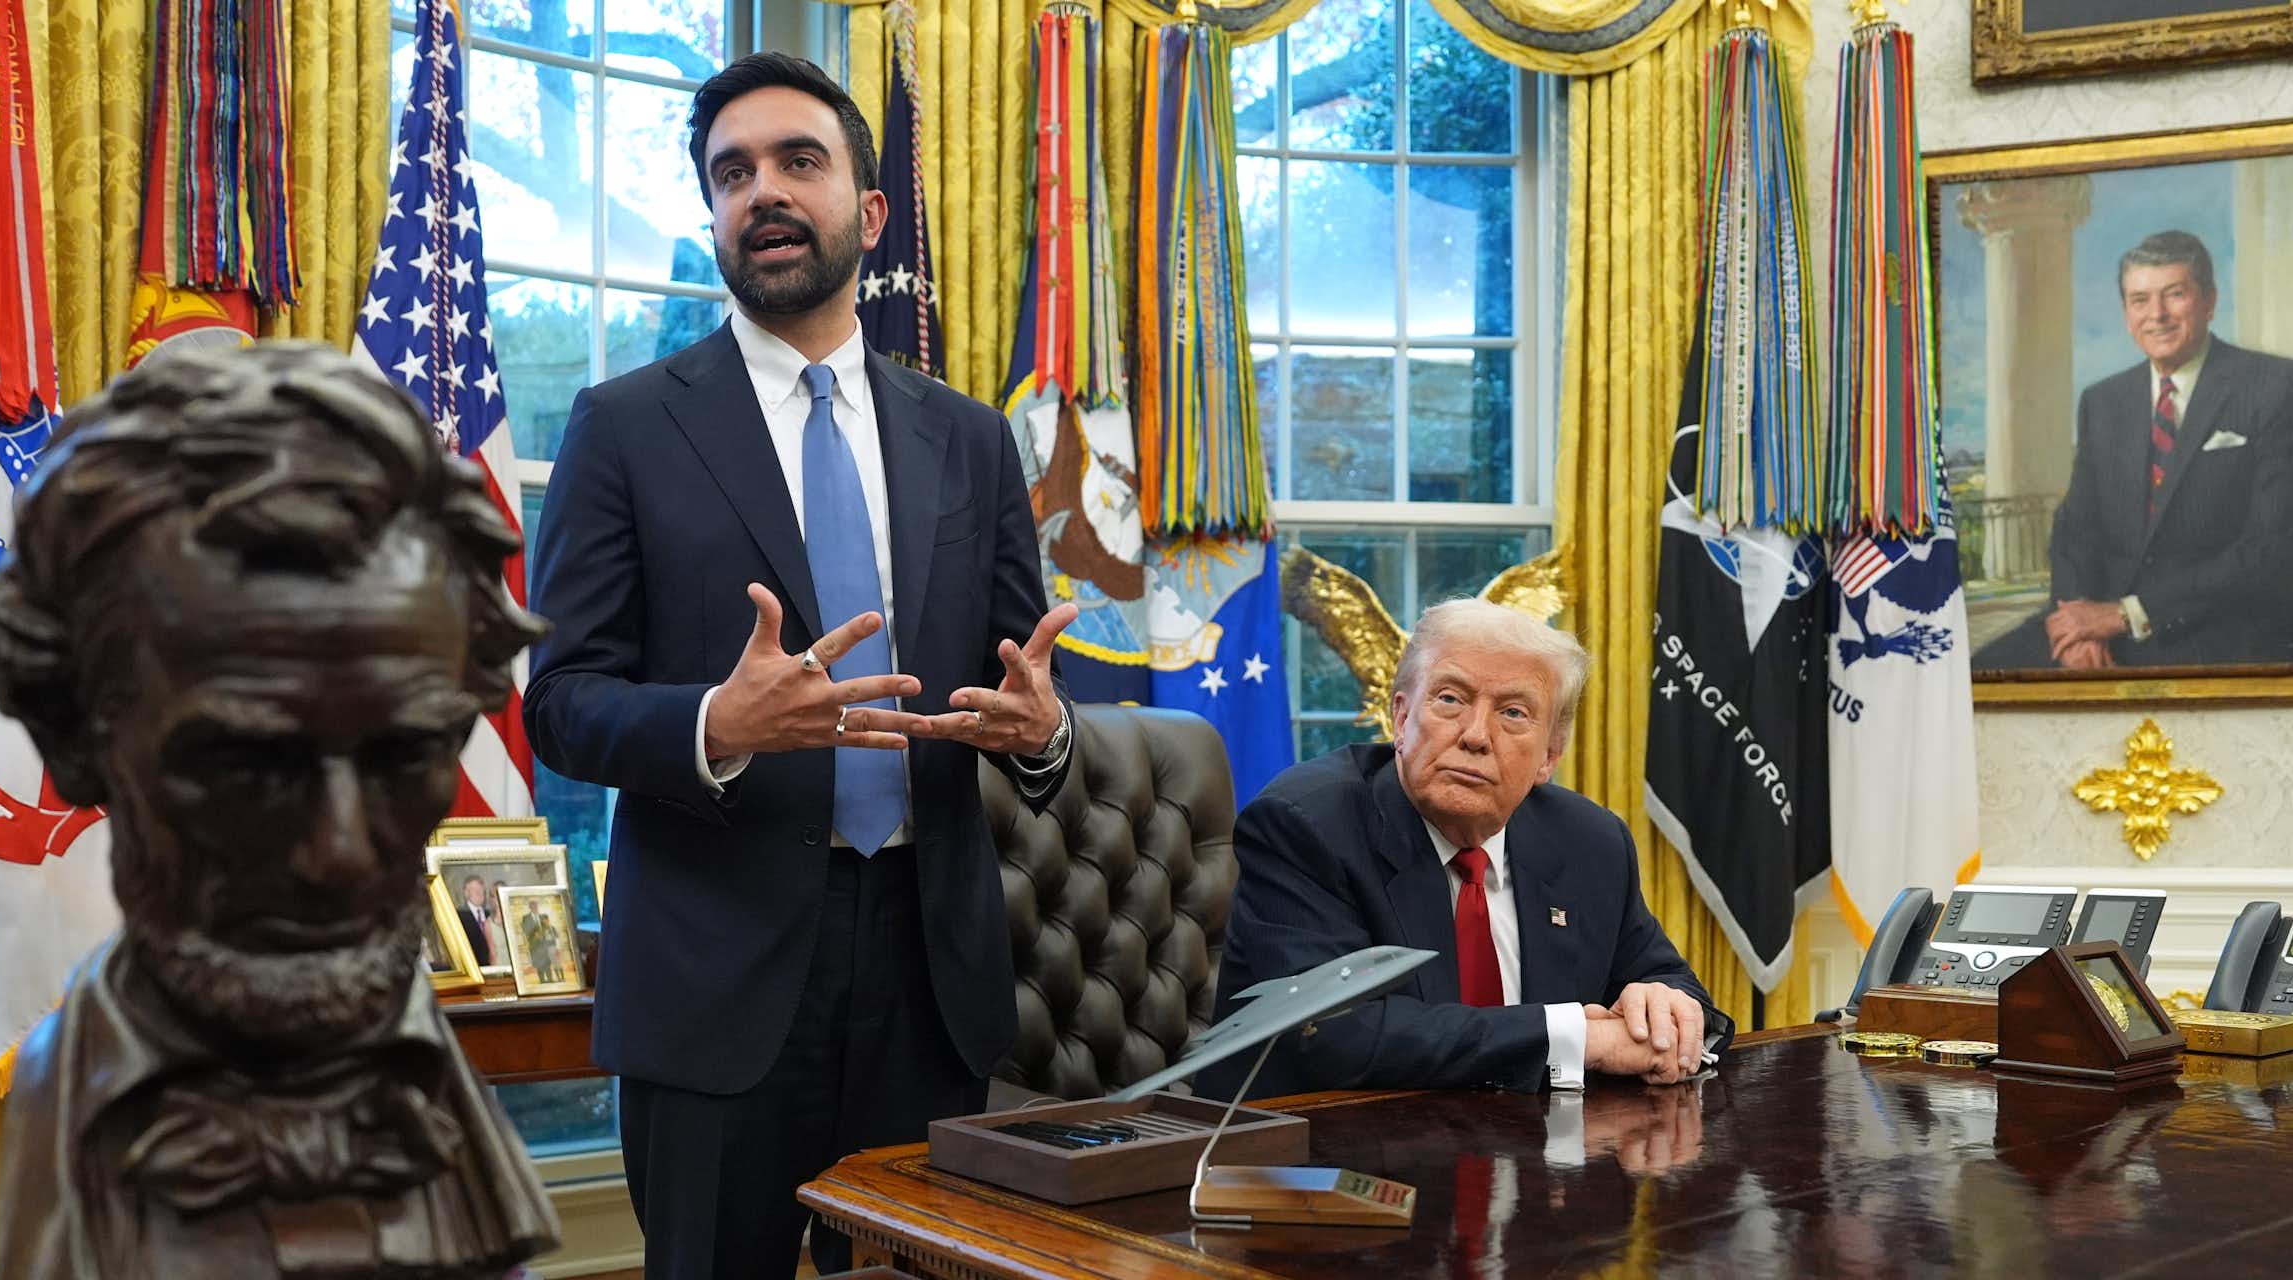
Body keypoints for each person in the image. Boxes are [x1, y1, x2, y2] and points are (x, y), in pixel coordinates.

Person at [522, 51, 1078, 1280]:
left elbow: (1027, 687)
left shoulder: (970, 438)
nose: (762, 190)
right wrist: (718, 722)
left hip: (930, 973)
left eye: (797, 161)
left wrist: (1041, 731)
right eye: (732, 174)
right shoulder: (625, 425)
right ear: (714, 216)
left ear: (869, 214)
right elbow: (558, 705)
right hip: (712, 979)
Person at [0, 342, 559, 1279]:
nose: (339, 853)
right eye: (246, 768)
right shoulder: (63, 1112)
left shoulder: (449, 1116)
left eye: (403, 756)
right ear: (72, 735)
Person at [1205, 599, 1733, 1100]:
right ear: (1402, 719)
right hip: (1322, 1151)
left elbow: (1673, 984)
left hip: (1538, 1149)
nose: (1476, 735)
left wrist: (1665, 1008)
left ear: (1549, 757)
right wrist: (1577, 1036)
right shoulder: (1307, 826)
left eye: (1514, 713)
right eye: (1450, 700)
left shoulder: (1589, 842)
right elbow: (1329, 1034)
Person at [1976, 229, 2293, 671]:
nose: (2156, 315)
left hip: (2219, 628)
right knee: (1975, 679)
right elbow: (2075, 531)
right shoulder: (2103, 401)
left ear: (2209, 301)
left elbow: (2273, 547)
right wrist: (2077, 625)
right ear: (2127, 313)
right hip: (2102, 624)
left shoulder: (2277, 386)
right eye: (2140, 300)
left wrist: (2126, 615)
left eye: (2174, 294)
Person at [457, 874, 500, 967]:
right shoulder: (458, 917)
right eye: (475, 890)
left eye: (481, 889)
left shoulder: (491, 914)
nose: (479, 893)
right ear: (466, 893)